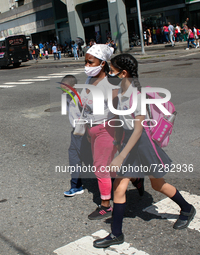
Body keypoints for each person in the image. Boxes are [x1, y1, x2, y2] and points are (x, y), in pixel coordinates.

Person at [93, 53, 196, 248]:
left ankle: (187, 208)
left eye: (112, 71)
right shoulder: (120, 94)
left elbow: (139, 129)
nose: (109, 74)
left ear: (123, 73)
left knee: (158, 185)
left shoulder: (136, 96)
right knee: (119, 187)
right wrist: (117, 142)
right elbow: (122, 123)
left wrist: (121, 155)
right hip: (129, 145)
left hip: (143, 145)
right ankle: (116, 234)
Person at [82, 45, 143, 220]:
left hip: (106, 129)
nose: (86, 65)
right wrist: (87, 129)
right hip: (93, 129)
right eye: (85, 61)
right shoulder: (88, 79)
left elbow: (117, 112)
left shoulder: (110, 84)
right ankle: (135, 178)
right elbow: (87, 107)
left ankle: (105, 205)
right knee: (108, 166)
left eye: (90, 62)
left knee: (100, 167)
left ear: (102, 63)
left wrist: (117, 136)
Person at [61, 75, 93, 197]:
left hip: (85, 133)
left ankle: (110, 182)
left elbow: (89, 116)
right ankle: (75, 186)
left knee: (90, 160)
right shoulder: (67, 97)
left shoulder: (81, 99)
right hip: (76, 132)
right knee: (74, 158)